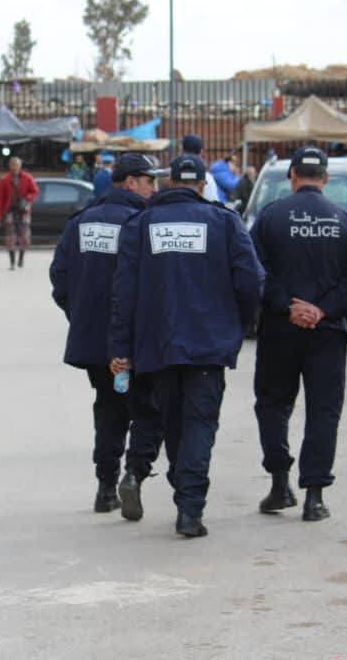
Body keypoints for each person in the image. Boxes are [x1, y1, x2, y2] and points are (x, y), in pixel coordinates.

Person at [109, 153, 263, 538]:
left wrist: (121, 347)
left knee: (174, 423)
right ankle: (189, 509)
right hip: (208, 344)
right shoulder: (224, 221)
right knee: (200, 423)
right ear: (202, 185)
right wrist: (237, 325)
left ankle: (185, 496)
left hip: (158, 344)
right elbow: (251, 280)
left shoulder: (140, 224)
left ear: (169, 182)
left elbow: (123, 294)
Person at [251, 147, 347, 522]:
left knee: (272, 404)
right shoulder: (346, 221)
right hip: (328, 333)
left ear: (292, 175)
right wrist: (323, 309)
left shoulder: (270, 218)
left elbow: (254, 272)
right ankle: (314, 497)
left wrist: (287, 305)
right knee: (324, 410)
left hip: (279, 330)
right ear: (326, 178)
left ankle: (279, 484)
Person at [50, 154, 165, 514]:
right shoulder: (142, 223)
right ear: (130, 182)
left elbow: (59, 279)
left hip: (95, 341)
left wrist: (82, 316)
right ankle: (133, 473)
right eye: (149, 181)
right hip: (136, 340)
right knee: (148, 409)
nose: (154, 188)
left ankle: (105, 487)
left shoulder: (80, 223)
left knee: (108, 408)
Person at [0, 157, 39, 270]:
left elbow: (35, 191)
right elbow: (0, 199)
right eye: (13, 165)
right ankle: (12, 262)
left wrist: (27, 198)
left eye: (17, 165)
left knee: (25, 236)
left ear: (20, 166)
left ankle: (21, 258)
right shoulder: (4, 180)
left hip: (23, 211)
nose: (15, 167)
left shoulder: (27, 178)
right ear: (10, 166)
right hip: (10, 211)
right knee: (10, 237)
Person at [180, 134, 220, 202]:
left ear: (182, 150)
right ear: (201, 151)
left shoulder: (173, 176)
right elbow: (213, 202)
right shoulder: (207, 178)